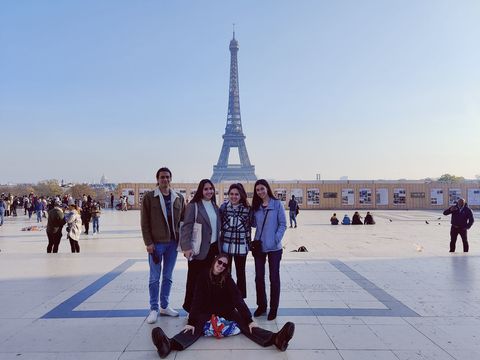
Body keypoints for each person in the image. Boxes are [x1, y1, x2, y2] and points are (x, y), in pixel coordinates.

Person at [151, 254, 295, 358]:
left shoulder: (227, 279)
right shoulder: (202, 276)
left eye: (224, 265)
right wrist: (191, 322)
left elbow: (238, 299)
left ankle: (276, 339)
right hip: (206, 311)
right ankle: (168, 344)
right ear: (215, 261)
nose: (221, 266)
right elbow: (197, 300)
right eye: (219, 262)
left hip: (226, 311)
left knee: (247, 325)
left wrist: (249, 319)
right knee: (195, 328)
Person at [141, 167, 185, 324]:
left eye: (167, 177)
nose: (165, 179)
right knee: (154, 278)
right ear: (157, 179)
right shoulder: (149, 197)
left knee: (168, 277)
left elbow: (183, 222)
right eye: (162, 177)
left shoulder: (178, 197)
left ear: (171, 179)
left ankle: (164, 306)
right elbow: (144, 222)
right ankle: (154, 308)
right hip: (157, 244)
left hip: (172, 244)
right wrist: (148, 243)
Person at [180, 179, 221, 313]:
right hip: (197, 249)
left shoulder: (215, 206)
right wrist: (186, 247)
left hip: (213, 248)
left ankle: (205, 306)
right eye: (206, 189)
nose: (209, 191)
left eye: (211, 189)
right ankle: (190, 307)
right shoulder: (194, 205)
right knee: (194, 280)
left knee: (209, 279)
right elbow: (187, 226)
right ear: (201, 191)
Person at [251, 179, 287, 321]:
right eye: (257, 190)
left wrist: (275, 239)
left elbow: (283, 224)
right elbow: (253, 224)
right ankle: (261, 305)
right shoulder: (257, 206)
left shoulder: (277, 204)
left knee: (274, 278)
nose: (260, 192)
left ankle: (273, 308)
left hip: (274, 248)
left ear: (267, 188)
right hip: (260, 246)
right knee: (259, 278)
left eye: (262, 189)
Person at [219, 183, 252, 299]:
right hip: (226, 246)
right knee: (226, 274)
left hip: (240, 246)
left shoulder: (247, 209)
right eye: (231, 194)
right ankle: (226, 297)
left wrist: (249, 245)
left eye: (236, 194)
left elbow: (248, 229)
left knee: (241, 274)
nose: (233, 196)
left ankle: (240, 299)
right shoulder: (223, 208)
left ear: (241, 195)